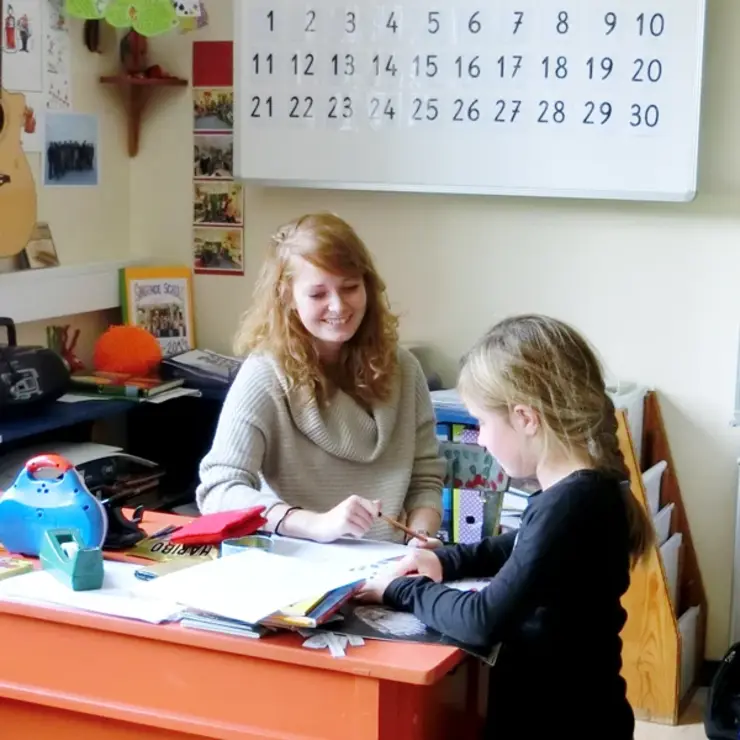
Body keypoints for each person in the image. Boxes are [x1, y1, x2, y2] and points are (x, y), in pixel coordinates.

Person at [358, 314, 655, 739]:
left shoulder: (571, 506)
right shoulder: (585, 491)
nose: (478, 439)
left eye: (481, 423)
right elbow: (510, 548)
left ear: (525, 418)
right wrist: (440, 561)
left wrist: (400, 589)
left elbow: (482, 620)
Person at [196, 212, 445, 545]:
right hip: (299, 568)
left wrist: (421, 536)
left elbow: (426, 479)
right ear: (287, 296)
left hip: (387, 570)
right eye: (317, 294)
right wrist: (313, 524)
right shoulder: (265, 373)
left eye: (350, 287)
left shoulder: (405, 367)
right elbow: (219, 490)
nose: (338, 306)